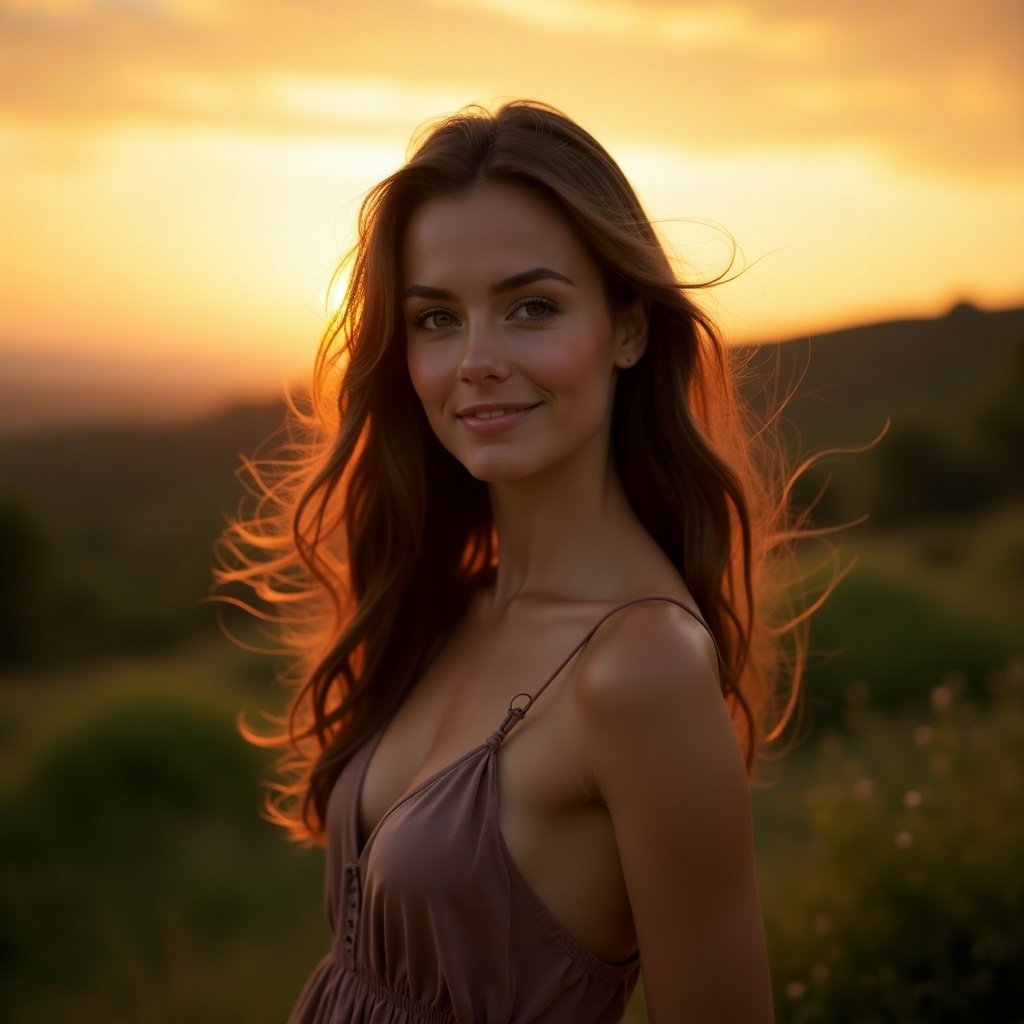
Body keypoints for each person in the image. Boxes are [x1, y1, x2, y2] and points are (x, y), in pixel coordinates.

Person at [219, 100, 807, 1023]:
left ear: (627, 329)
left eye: (532, 308)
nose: (477, 361)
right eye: (438, 319)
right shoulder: (453, 603)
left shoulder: (642, 671)